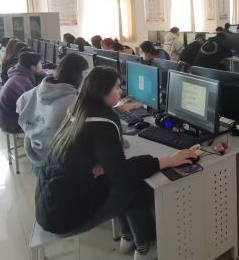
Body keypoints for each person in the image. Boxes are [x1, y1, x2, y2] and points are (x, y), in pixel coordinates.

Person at [35, 67, 197, 259]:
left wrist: (103, 162)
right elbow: (122, 174)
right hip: (63, 215)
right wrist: (168, 161)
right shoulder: (102, 122)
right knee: (133, 185)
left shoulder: (78, 109)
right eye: (117, 87)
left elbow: (86, 154)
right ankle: (144, 248)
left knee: (116, 179)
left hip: (49, 203)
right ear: (103, 91)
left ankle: (128, 237)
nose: (121, 91)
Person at [17, 53, 89, 175]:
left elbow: (20, 103)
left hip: (33, 152)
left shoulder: (41, 87)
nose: (85, 78)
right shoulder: (72, 101)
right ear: (77, 75)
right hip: (52, 163)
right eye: (85, 74)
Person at [0, 52, 43, 134]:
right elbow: (33, 107)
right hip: (11, 123)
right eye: (40, 63)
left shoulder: (21, 74)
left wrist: (40, 73)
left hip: (7, 118)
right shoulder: (22, 81)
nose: (42, 65)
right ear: (33, 67)